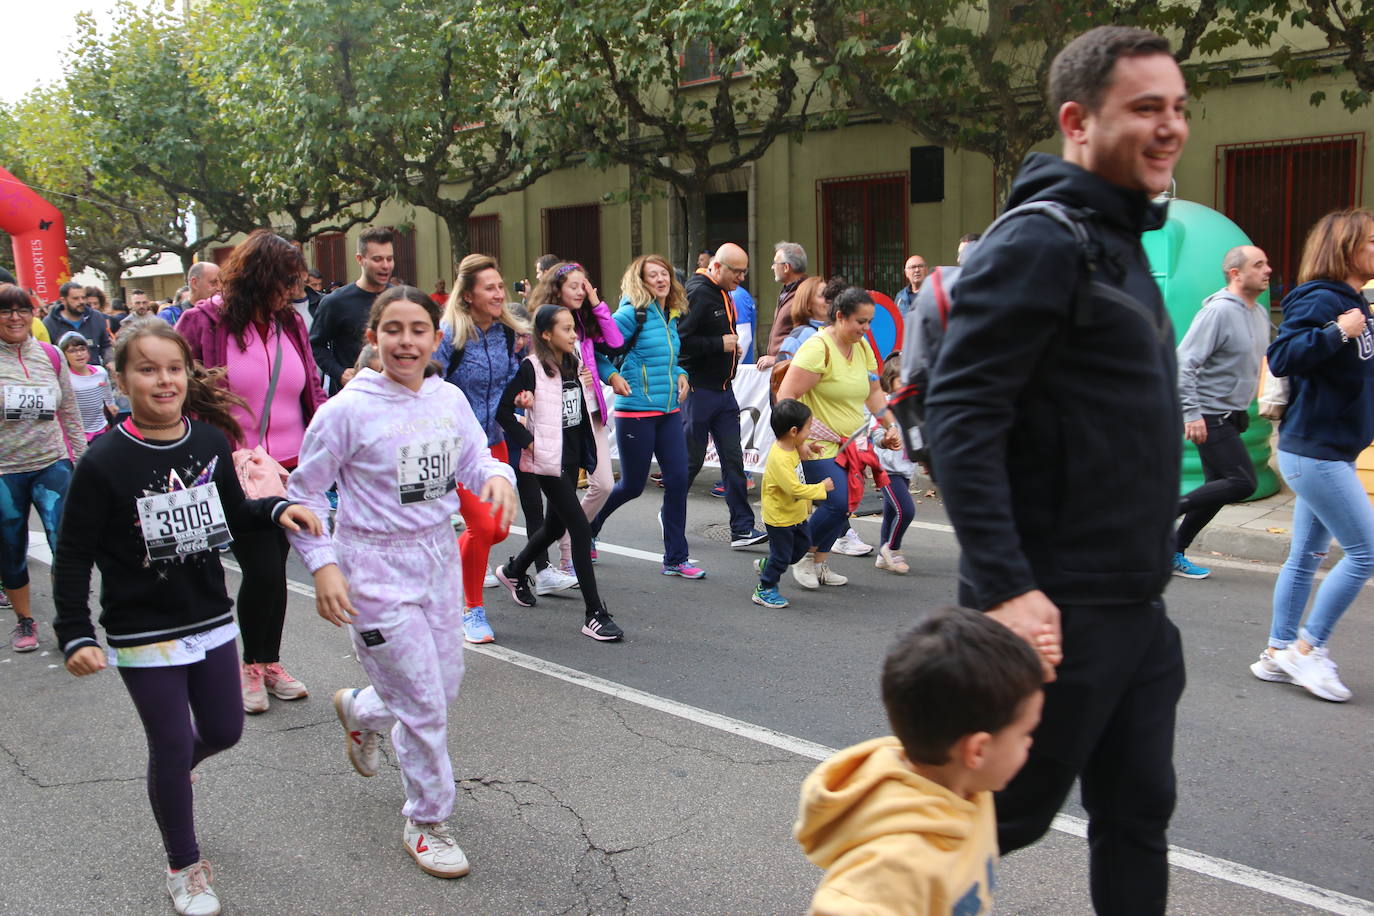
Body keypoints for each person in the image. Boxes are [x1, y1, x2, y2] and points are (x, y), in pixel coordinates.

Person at [923, 26, 1188, 915]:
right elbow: (960, 413)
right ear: (1078, 120)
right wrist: (1006, 587)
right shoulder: (1041, 241)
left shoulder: (1118, 241)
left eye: (1180, 108)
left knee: (1139, 811)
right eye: (1145, 108)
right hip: (1052, 609)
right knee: (988, 822)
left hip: (1135, 609)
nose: (1170, 127)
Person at [51, 320, 321, 916]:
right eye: (146, 369)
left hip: (210, 619)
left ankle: (173, 775)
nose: (163, 380)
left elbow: (233, 513)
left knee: (224, 730)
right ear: (120, 381)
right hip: (141, 630)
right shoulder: (102, 462)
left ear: (188, 376)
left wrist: (278, 508)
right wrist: (73, 631)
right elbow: (72, 552)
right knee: (170, 744)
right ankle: (184, 865)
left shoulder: (206, 442)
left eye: (172, 368)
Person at [286, 285, 516, 879]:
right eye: (394, 329)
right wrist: (323, 564)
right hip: (373, 570)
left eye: (419, 329)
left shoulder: (449, 398)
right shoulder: (345, 412)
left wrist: (499, 478)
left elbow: (476, 461)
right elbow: (303, 494)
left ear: (436, 339)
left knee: (442, 686)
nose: (406, 341)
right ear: (373, 338)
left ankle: (361, 711)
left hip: (436, 560)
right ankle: (428, 820)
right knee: (423, 707)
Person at [795, 606, 1043, 916]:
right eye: (1025, 734)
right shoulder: (891, 872)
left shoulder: (966, 785)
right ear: (977, 751)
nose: (1031, 743)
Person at [177, 229, 330, 714]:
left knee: (275, 571)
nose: (293, 292)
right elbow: (180, 394)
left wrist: (331, 440)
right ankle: (249, 666)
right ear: (261, 276)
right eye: (285, 282)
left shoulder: (290, 323)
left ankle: (269, 662)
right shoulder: (202, 322)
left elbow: (310, 386)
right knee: (262, 567)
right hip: (235, 468)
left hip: (291, 466)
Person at [1253, 208, 1374, 703]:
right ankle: (1308, 648)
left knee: (1304, 556)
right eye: (1371, 240)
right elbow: (1282, 356)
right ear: (1347, 248)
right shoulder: (1321, 300)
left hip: (1332, 450)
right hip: (1315, 451)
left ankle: (1277, 652)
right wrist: (1338, 331)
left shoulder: (1356, 303)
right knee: (1366, 552)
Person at [494, 304, 623, 641]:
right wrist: (528, 441)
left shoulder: (574, 362)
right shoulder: (531, 368)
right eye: (566, 329)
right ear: (547, 334)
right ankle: (594, 613)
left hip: (570, 458)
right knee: (580, 529)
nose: (573, 335)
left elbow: (577, 412)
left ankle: (514, 570)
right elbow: (503, 412)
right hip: (547, 462)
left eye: (573, 328)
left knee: (555, 525)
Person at [436, 254, 542, 643]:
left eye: (501, 286)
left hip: (495, 441)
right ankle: (471, 609)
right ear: (468, 296)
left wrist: (521, 395)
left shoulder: (506, 333)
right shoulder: (449, 335)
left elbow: (512, 379)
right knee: (482, 527)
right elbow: (429, 386)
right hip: (457, 450)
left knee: (496, 531)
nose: (499, 293)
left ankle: (452, 563)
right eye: (490, 288)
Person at [777, 287, 900, 589]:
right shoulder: (818, 348)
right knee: (837, 501)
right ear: (840, 316)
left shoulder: (862, 347)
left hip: (852, 443)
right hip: (818, 442)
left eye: (869, 322)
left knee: (845, 506)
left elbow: (873, 391)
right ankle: (795, 556)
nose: (866, 328)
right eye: (861, 321)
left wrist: (890, 424)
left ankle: (819, 563)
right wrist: (798, 440)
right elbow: (786, 396)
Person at [591, 255, 703, 578]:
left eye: (664, 273)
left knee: (679, 480)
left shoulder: (671, 313)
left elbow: (667, 358)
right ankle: (589, 528)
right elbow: (597, 352)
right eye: (652, 275)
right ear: (641, 281)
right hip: (636, 411)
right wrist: (612, 376)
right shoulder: (630, 314)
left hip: (668, 411)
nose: (660, 279)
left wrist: (681, 372)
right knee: (632, 486)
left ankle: (676, 558)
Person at [1172, 245, 1273, 579]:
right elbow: (1184, 362)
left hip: (1233, 416)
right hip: (1209, 415)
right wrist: (1191, 413)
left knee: (1216, 490)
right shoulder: (1218, 312)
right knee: (1242, 482)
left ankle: (1172, 552)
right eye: (1259, 265)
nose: (1267, 270)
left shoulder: (1258, 313)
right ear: (1235, 273)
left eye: (1267, 264)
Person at [523, 262, 623, 575]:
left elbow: (614, 344)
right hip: (557, 419)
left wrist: (596, 302)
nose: (581, 291)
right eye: (575, 286)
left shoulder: (584, 321)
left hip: (591, 413)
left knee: (604, 484)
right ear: (557, 289)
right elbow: (533, 368)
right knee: (561, 496)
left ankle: (571, 532)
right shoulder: (544, 324)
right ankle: (569, 558)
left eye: (585, 285)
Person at [1, 284, 86, 650]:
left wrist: (82, 459)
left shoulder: (51, 356)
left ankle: (69, 621)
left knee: (63, 545)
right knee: (10, 548)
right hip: (5, 471)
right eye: (5, 311)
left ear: (33, 313)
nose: (15, 317)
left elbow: (69, 411)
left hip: (53, 464)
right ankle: (25, 621)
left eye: (23, 310)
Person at [681, 243, 766, 548]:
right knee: (690, 462)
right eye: (736, 271)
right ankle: (671, 513)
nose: (741, 277)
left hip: (723, 391)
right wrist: (720, 344)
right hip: (698, 391)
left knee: (734, 460)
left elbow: (716, 336)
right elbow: (680, 341)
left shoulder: (721, 292)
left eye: (744, 271)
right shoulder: (698, 291)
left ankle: (742, 528)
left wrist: (730, 347)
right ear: (717, 267)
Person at [752, 398, 832, 609]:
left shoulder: (790, 447)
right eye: (808, 429)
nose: (809, 434)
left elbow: (797, 455)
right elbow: (794, 489)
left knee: (801, 548)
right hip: (779, 518)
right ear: (794, 431)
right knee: (782, 556)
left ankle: (768, 565)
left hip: (795, 514)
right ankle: (765, 589)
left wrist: (808, 447)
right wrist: (821, 488)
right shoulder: (780, 458)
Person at [311, 226, 394, 393]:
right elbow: (315, 346)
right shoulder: (335, 302)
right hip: (353, 397)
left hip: (396, 396)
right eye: (377, 259)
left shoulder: (401, 299)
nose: (386, 265)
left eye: (390, 259)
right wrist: (339, 372)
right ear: (360, 259)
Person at [872, 354, 917, 575]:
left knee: (891, 512)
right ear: (889, 382)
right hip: (887, 469)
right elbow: (877, 433)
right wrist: (885, 440)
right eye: (901, 381)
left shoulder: (912, 408)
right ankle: (893, 548)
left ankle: (882, 556)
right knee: (906, 510)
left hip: (905, 469)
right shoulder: (885, 407)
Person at [57, 331, 117, 441]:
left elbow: (106, 391)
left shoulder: (100, 372)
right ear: (64, 355)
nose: (79, 354)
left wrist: (111, 404)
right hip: (77, 432)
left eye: (82, 349)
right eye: (72, 351)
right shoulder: (65, 378)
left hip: (100, 427)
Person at [760, 241, 810, 367]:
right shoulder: (790, 290)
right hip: (784, 366)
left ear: (786, 267)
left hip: (793, 368)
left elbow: (809, 338)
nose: (772, 267)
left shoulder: (806, 293)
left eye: (775, 263)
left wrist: (777, 359)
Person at [43, 280, 112, 366]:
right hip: (66, 376)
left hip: (94, 374)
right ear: (63, 300)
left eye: (83, 298)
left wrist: (110, 362)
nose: (81, 302)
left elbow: (105, 345)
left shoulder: (96, 317)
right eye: (76, 298)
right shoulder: (50, 323)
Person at [775, 276, 829, 362]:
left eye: (829, 295)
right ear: (807, 303)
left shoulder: (835, 332)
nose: (829, 300)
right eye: (822, 295)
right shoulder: (800, 336)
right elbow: (783, 369)